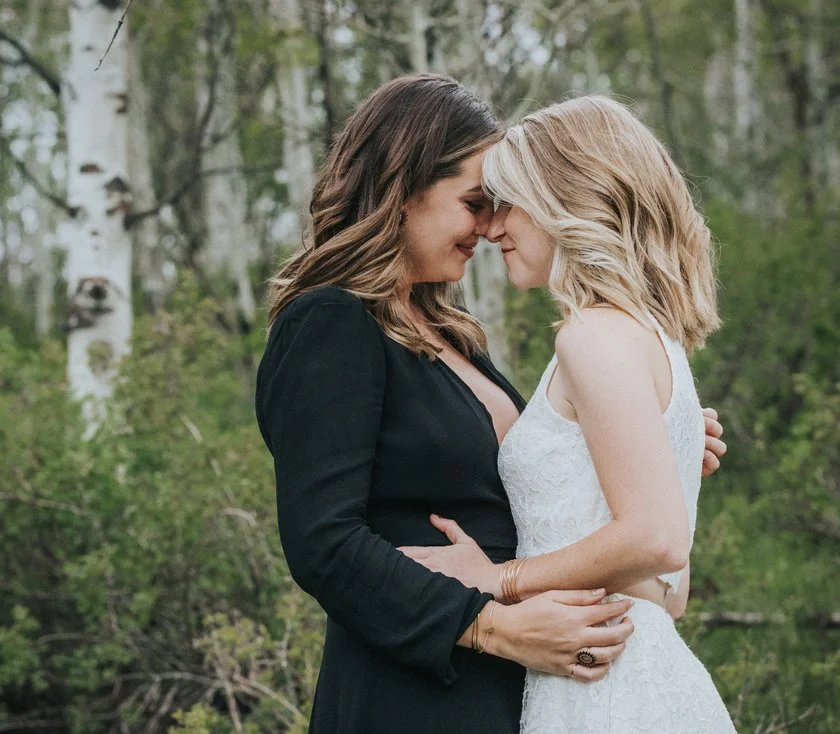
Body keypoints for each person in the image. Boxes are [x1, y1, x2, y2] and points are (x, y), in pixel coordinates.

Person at [255, 75, 726, 734]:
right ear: (403, 187)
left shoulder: (454, 338)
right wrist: (490, 626)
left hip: (526, 687)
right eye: (475, 202)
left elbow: (545, 507)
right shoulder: (333, 322)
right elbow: (323, 544)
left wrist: (647, 439)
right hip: (414, 695)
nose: (488, 226)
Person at [400, 96, 736, 732]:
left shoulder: (592, 337)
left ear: (567, 199)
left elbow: (659, 538)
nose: (493, 229)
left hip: (606, 694)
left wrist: (499, 579)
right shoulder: (650, 339)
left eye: (509, 204)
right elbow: (670, 595)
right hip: (625, 666)